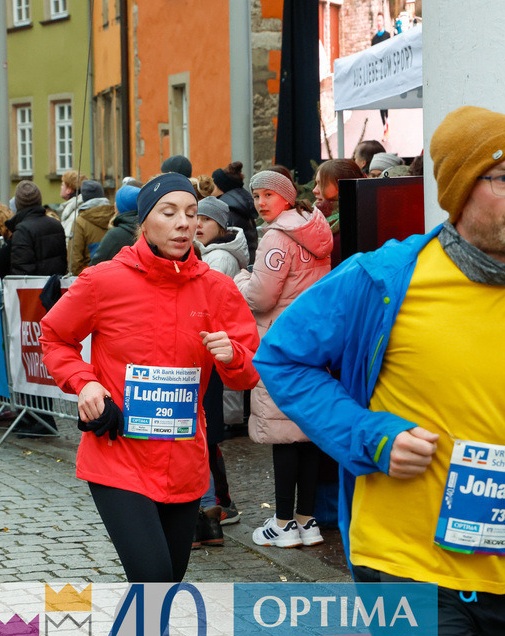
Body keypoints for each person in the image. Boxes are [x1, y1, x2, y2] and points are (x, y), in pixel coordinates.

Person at [253, 106, 505, 636]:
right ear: (458, 191)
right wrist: (370, 435)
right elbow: (282, 357)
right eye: (504, 177)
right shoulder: (385, 277)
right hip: (404, 564)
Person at [39, 171, 260, 597]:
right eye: (169, 212)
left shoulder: (216, 288)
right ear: (144, 221)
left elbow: (249, 371)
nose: (183, 223)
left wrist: (233, 355)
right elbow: (55, 337)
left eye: (192, 213)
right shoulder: (103, 280)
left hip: (184, 461)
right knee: (153, 579)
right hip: (118, 456)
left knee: (163, 590)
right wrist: (85, 383)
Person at [234, 168, 333, 549]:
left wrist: (242, 280)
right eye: (257, 196)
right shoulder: (315, 228)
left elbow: (260, 298)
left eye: (268, 195)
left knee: (283, 433)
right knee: (306, 431)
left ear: (287, 197)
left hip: (281, 342)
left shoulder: (277, 237)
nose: (261, 203)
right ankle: (307, 520)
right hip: (314, 341)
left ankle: (282, 523)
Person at [195, 195, 250, 536]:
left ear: (220, 225)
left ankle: (217, 505)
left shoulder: (217, 259)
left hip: (214, 356)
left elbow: (205, 307)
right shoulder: (213, 254)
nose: (198, 224)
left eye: (205, 219)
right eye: (196, 218)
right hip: (213, 356)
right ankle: (216, 504)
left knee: (207, 436)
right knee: (208, 436)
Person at [7, 180, 67, 276]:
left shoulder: (22, 230)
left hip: (34, 285)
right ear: (39, 199)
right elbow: (63, 262)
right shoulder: (56, 224)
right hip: (56, 283)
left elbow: (21, 271)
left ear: (18, 204)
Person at [313, 158, 364, 267]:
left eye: (322, 184)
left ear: (341, 185)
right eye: (316, 183)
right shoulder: (314, 216)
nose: (315, 190)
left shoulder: (355, 223)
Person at [211, 161, 259, 264]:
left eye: (213, 184)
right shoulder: (238, 205)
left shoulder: (228, 210)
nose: (210, 188)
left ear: (222, 187)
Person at [67, 180, 114, 276]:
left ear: (84, 198)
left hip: (91, 277)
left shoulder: (80, 222)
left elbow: (74, 260)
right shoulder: (115, 216)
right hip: (115, 274)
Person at [91, 183, 140, 266]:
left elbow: (95, 266)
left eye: (116, 201)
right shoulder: (149, 229)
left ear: (120, 206)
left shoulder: (115, 235)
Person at [58, 170, 87, 239]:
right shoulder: (78, 207)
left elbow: (68, 240)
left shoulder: (74, 214)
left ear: (68, 190)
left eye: (62, 185)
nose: (61, 187)